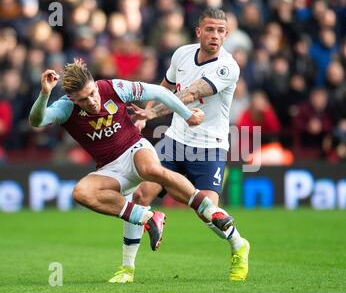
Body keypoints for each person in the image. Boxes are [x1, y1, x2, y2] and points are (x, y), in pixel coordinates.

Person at [29, 59, 235, 275]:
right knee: (80, 192)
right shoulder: (65, 107)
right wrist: (44, 93)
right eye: (83, 99)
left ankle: (210, 211)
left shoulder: (113, 88)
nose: (91, 101)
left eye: (92, 93)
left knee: (151, 171)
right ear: (73, 98)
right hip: (109, 168)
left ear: (94, 83)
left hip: (135, 148)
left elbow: (158, 92)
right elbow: (37, 121)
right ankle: (147, 218)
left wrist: (187, 114)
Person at [109, 8, 250, 284]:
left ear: (227, 35)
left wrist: (152, 114)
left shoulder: (228, 66)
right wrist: (145, 111)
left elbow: (189, 94)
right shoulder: (182, 54)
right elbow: (166, 85)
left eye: (221, 31)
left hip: (210, 147)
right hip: (174, 141)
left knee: (208, 213)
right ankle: (127, 269)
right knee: (140, 196)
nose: (215, 36)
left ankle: (239, 245)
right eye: (210, 29)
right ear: (199, 32)